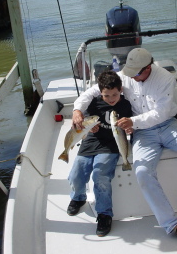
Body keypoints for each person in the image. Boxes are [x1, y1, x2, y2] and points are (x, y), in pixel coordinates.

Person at [73, 48, 177, 246]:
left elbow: (161, 113)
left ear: (148, 68)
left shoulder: (165, 78)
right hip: (142, 133)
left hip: (167, 125)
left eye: (136, 72)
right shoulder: (126, 75)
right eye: (129, 71)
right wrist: (77, 110)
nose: (131, 76)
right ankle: (171, 223)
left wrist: (133, 121)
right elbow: (92, 92)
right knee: (142, 171)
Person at [67, 71, 132, 237]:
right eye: (106, 95)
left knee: (100, 175)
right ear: (99, 92)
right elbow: (84, 123)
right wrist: (89, 127)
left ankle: (104, 214)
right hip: (91, 142)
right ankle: (78, 197)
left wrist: (130, 127)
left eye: (115, 94)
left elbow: (131, 125)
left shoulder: (125, 105)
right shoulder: (93, 102)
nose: (111, 99)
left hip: (111, 144)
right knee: (76, 173)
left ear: (121, 90)